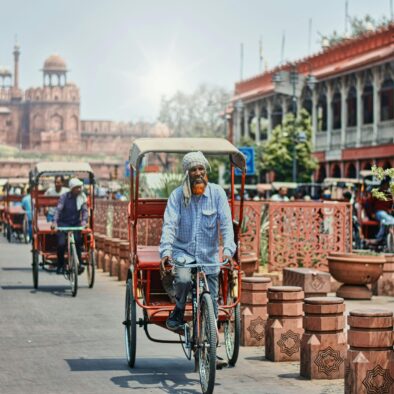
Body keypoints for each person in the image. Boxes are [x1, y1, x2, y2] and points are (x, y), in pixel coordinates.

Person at [159, 151, 236, 333]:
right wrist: (166, 253)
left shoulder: (217, 194)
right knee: (184, 280)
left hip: (209, 255)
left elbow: (226, 224)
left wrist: (227, 250)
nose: (198, 173)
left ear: (206, 171)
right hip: (183, 252)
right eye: (193, 170)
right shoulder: (177, 196)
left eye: (201, 168)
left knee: (213, 298)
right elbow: (169, 225)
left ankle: (211, 343)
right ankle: (178, 312)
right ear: (187, 173)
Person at [51, 178, 88, 275]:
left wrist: (84, 222)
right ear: (72, 188)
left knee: (78, 242)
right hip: (63, 224)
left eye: (80, 188)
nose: (79, 190)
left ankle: (79, 264)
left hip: (76, 224)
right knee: (61, 244)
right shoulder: (64, 197)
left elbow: (84, 211)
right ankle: (60, 265)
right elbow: (58, 210)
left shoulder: (82, 197)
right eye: (77, 188)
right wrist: (54, 222)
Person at [367, 177, 394, 244]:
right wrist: (371, 213)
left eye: (388, 185)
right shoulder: (376, 193)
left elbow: (391, 206)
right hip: (378, 213)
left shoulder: (389, 195)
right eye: (386, 184)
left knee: (384, 222)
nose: (387, 186)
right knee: (387, 217)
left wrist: (390, 210)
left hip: (386, 214)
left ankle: (379, 238)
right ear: (382, 185)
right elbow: (368, 204)